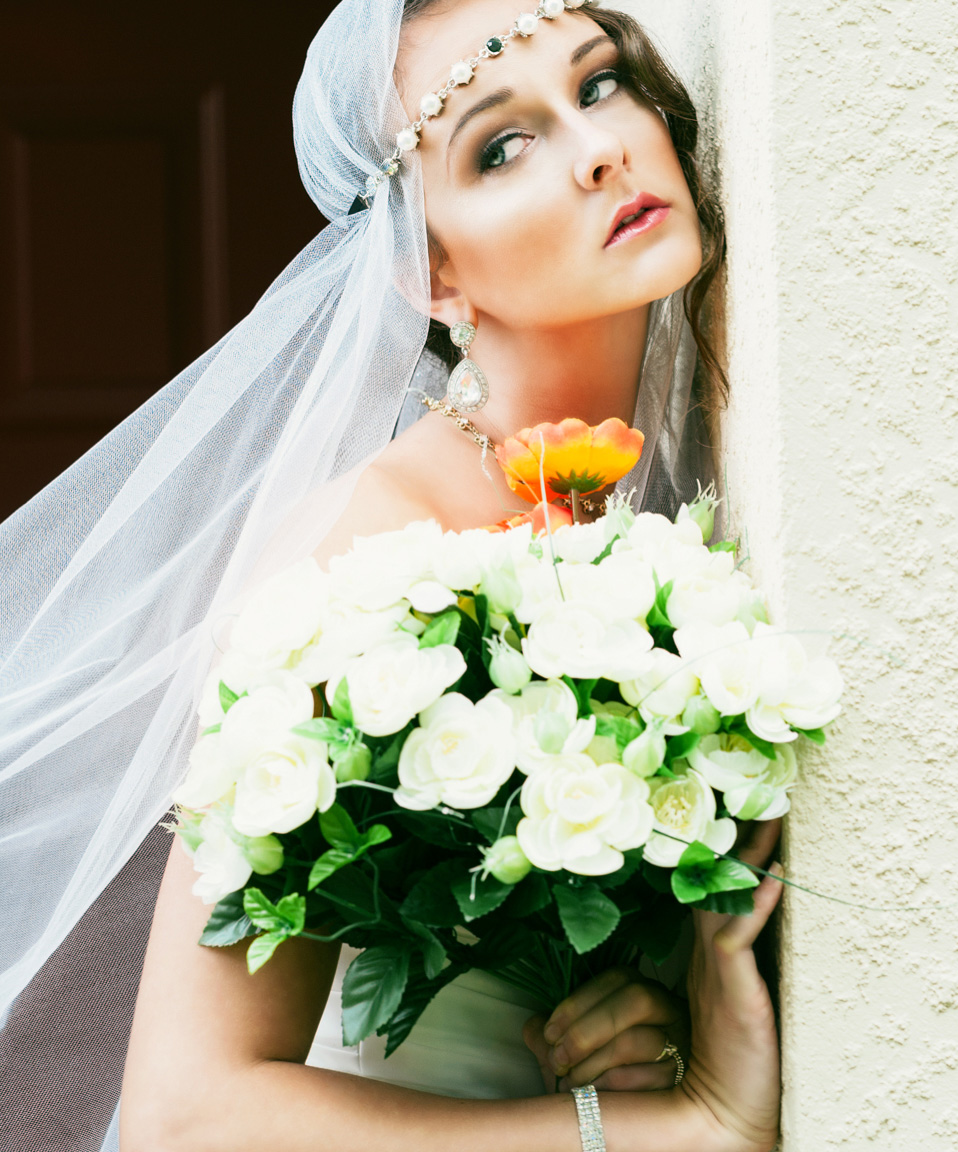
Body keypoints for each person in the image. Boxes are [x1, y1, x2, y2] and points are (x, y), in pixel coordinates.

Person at [0, 2, 783, 1150]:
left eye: (600, 83)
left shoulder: (661, 502)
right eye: (502, 146)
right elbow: (185, 1112)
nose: (601, 147)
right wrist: (682, 1125)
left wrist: (645, 1012)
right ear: (431, 273)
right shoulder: (372, 563)